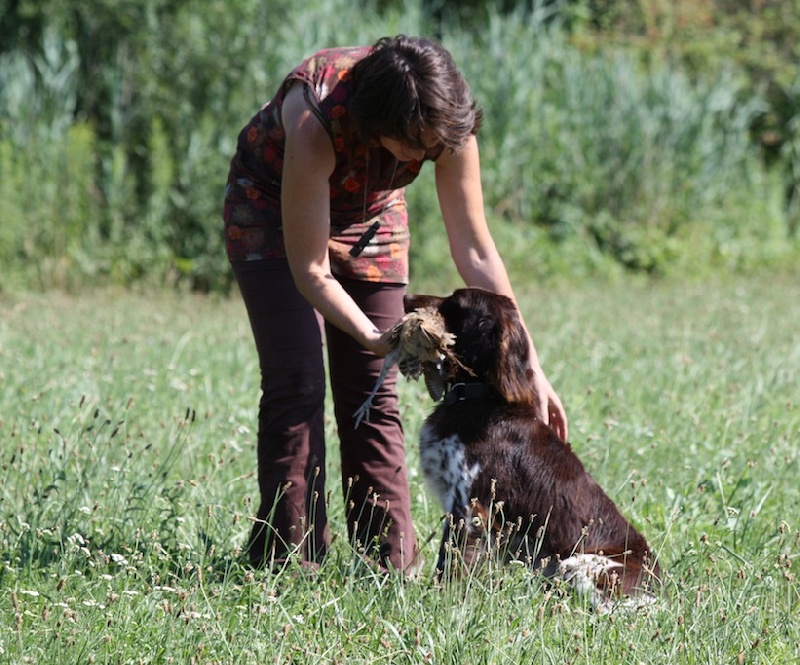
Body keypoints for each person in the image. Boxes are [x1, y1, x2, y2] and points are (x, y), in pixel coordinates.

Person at [223, 35, 568, 573]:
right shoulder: (315, 118)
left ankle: (388, 569)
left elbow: (476, 250)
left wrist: (532, 365)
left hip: (371, 217)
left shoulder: (445, 122)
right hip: (269, 209)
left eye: (434, 148)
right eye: (416, 145)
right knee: (298, 382)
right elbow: (311, 269)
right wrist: (368, 334)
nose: (426, 156)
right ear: (376, 121)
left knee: (374, 394)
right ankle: (289, 563)